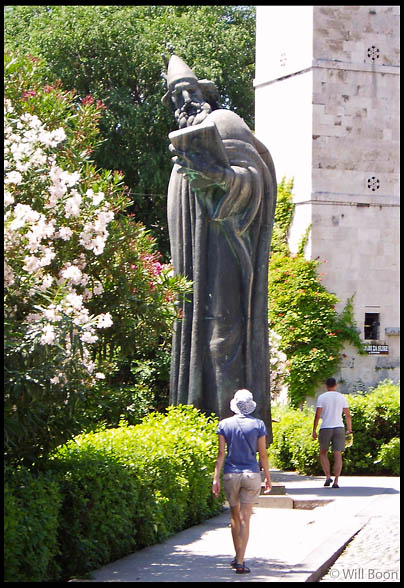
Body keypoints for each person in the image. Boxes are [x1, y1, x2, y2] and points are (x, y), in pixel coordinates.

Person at [162, 55, 277, 433]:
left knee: (221, 341)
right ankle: (197, 436)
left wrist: (219, 177)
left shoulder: (225, 122)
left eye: (189, 91)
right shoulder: (182, 146)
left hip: (227, 248)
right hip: (194, 261)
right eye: (175, 96)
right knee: (194, 343)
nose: (184, 101)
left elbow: (253, 178)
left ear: (205, 92)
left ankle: (235, 436)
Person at [212, 389, 272, 574]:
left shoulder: (224, 424)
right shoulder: (259, 425)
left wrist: (216, 478)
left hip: (231, 474)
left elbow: (221, 454)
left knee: (234, 517)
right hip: (251, 474)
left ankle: (237, 555)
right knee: (246, 518)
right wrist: (269, 477)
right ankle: (240, 560)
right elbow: (262, 454)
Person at [312, 377, 352, 488]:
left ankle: (328, 476)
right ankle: (336, 481)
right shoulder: (341, 397)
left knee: (323, 452)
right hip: (339, 427)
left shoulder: (322, 397)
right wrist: (349, 429)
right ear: (335, 385)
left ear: (326, 386)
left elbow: (318, 415)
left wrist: (314, 430)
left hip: (325, 427)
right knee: (338, 454)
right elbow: (347, 415)